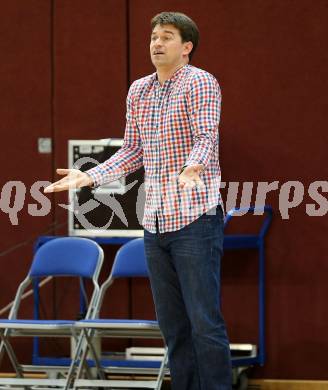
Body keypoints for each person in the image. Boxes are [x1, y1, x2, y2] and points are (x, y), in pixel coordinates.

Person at [45, 11, 232, 390]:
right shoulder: (139, 90)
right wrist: (90, 175)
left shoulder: (200, 83)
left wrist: (193, 167)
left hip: (195, 219)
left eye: (166, 37)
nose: (157, 43)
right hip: (155, 223)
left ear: (186, 47)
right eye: (153, 37)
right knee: (174, 326)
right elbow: (132, 151)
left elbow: (206, 135)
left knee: (204, 323)